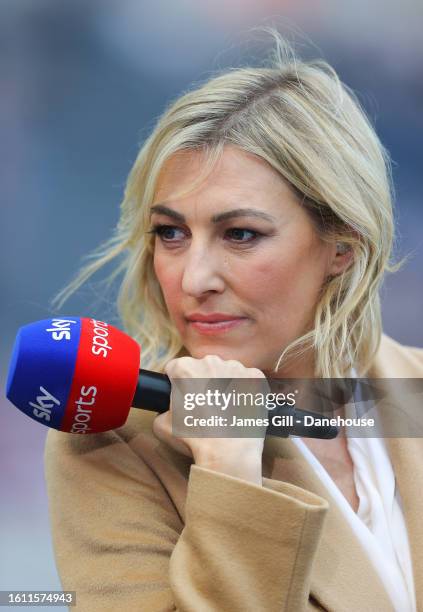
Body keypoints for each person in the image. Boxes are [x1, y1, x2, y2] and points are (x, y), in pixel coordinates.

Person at [44, 31, 423, 611]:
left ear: (341, 246)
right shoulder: (116, 437)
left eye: (240, 234)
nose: (194, 278)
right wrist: (230, 475)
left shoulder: (412, 390)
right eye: (171, 233)